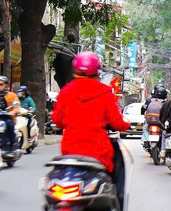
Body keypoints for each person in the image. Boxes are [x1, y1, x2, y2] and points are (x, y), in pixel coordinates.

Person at [51, 52, 130, 203]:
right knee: (118, 167)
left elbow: (58, 121)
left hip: (70, 150)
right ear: (97, 71)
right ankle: (117, 201)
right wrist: (126, 125)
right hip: (98, 151)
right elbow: (117, 123)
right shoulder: (105, 92)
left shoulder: (66, 91)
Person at [0, 74, 20, 153]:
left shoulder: (12, 95)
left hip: (8, 117)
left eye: (1, 84)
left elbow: (17, 105)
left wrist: (13, 112)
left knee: (10, 125)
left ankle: (12, 145)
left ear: (6, 85)